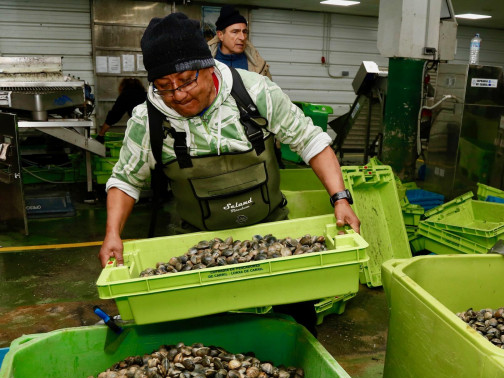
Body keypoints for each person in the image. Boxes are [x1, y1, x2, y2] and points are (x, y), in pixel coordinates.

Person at [98, 13, 359, 332]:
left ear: (208, 67)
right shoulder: (147, 119)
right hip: (193, 244)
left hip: (272, 233)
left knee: (296, 321)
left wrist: (340, 199)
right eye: (164, 87)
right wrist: (113, 232)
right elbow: (125, 180)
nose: (178, 94)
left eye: (187, 80)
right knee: (199, 332)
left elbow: (312, 141)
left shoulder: (255, 93)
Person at [207, 5, 272, 80]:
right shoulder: (204, 62)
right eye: (235, 32)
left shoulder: (257, 64)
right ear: (220, 35)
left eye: (244, 32)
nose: (242, 37)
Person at [96, 78, 148, 142]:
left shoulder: (126, 95)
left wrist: (101, 134)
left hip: (142, 129)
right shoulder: (146, 95)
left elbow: (114, 116)